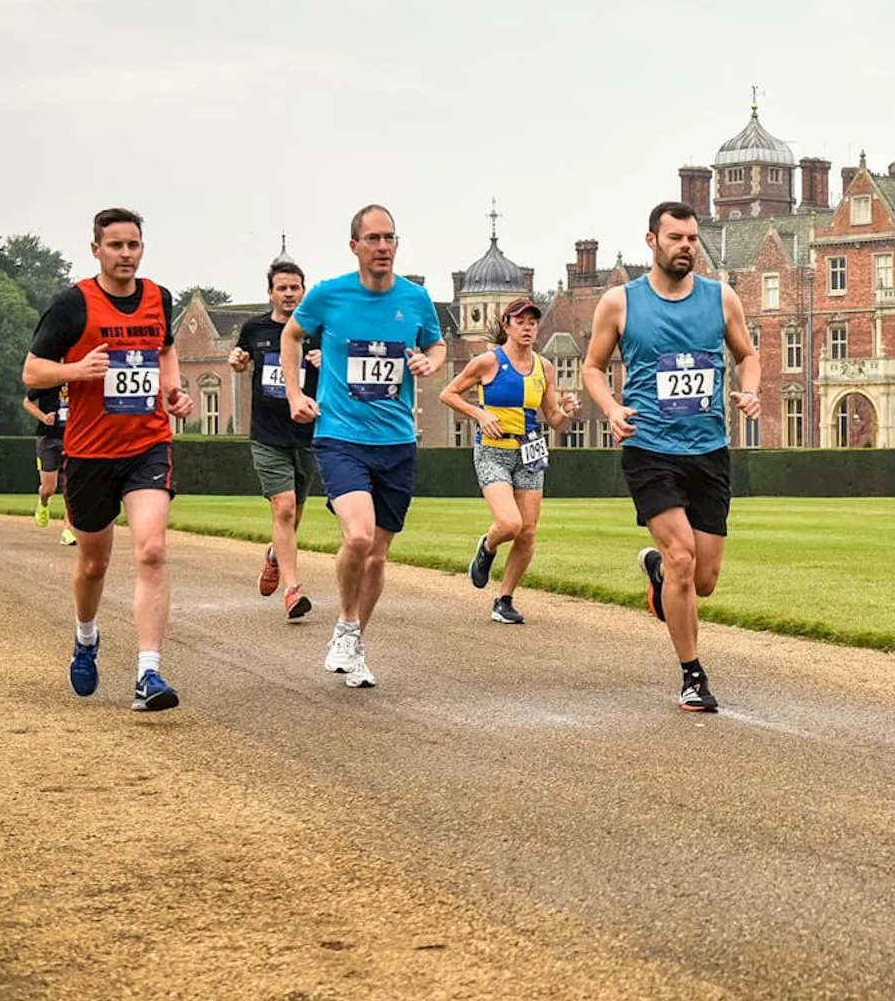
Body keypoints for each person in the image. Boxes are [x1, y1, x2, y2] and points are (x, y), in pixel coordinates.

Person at [583, 200, 760, 712]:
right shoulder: (620, 303)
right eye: (675, 238)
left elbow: (747, 355)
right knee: (685, 557)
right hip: (649, 449)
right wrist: (612, 408)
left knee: (702, 581)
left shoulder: (721, 298)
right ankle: (692, 675)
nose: (685, 247)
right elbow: (593, 367)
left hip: (709, 450)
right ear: (652, 242)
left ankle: (659, 574)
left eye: (691, 239)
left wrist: (750, 390)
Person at [23, 207, 193, 711]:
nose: (125, 254)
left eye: (133, 245)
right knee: (93, 564)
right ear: (96, 249)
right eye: (115, 245)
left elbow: (165, 349)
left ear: (143, 248)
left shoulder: (159, 297)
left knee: (152, 550)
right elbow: (32, 372)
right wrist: (76, 369)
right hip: (90, 451)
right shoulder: (72, 305)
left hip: (147, 444)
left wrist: (172, 389)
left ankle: (148, 674)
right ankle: (86, 637)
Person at [281, 204, 443, 688]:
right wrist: (294, 392)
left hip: (396, 441)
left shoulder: (416, 300)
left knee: (377, 554)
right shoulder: (328, 296)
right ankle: (348, 627)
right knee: (357, 537)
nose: (383, 247)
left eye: (390, 238)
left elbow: (434, 344)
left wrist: (431, 363)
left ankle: (352, 637)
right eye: (373, 239)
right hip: (340, 437)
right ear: (354, 246)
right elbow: (292, 335)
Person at [438, 296, 578, 624]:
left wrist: (567, 412)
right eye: (520, 322)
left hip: (529, 453)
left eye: (532, 322)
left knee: (527, 533)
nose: (527, 328)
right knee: (510, 524)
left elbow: (554, 420)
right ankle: (487, 547)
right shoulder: (488, 362)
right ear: (507, 326)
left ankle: (504, 600)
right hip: (493, 451)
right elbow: (448, 393)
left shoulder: (544, 367)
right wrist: (479, 413)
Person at [228, 257, 322, 620]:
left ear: (303, 291)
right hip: (267, 435)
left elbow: (340, 372)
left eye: (294, 288)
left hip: (308, 434)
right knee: (282, 507)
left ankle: (273, 555)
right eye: (281, 288)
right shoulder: (254, 328)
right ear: (271, 293)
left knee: (295, 513)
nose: (288, 293)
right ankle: (293, 590)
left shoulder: (319, 330)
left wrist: (324, 359)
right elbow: (239, 359)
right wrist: (237, 360)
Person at [22, 383, 77, 545]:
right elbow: (27, 402)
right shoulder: (49, 380)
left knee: (71, 486)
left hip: (72, 437)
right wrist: (43, 417)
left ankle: (68, 529)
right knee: (49, 488)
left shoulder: (78, 378)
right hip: (48, 438)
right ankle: (44, 501)